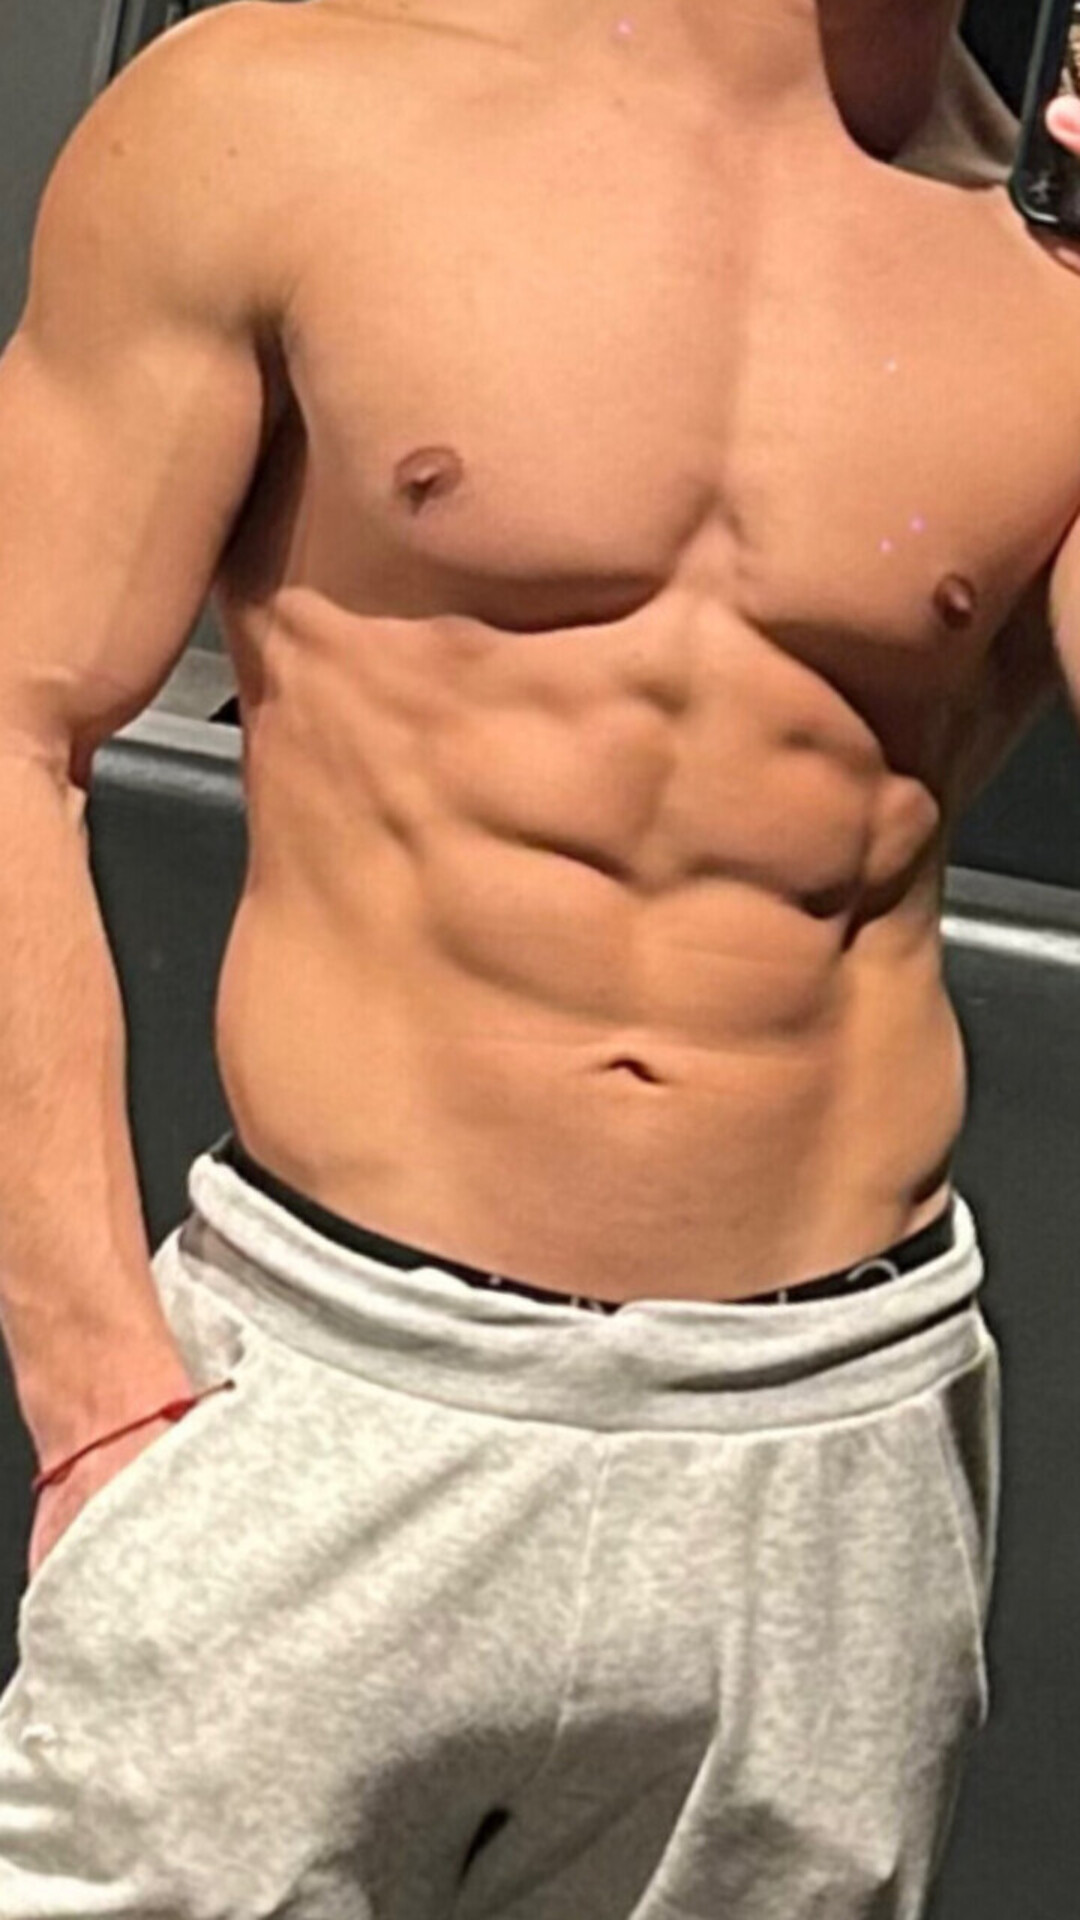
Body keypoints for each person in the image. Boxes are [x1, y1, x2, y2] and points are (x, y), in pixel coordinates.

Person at [0, 1, 1076, 1912]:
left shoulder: (1042, 264)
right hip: (329, 1387)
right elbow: (13, 724)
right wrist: (99, 1393)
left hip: (826, 1446)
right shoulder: (283, 111)